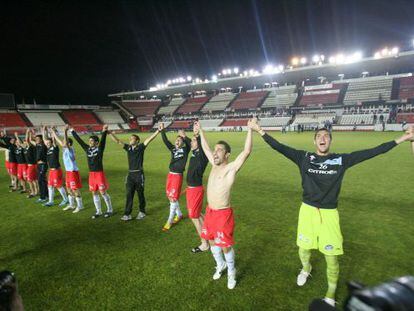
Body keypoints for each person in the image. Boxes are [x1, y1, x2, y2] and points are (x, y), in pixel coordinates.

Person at [249, 120, 414, 306]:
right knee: (303, 249)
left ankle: (330, 294)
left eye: (326, 136)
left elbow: (374, 151)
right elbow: (278, 146)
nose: (322, 138)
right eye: (319, 136)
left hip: (329, 214)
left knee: (331, 258)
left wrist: (403, 138)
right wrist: (259, 130)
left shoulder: (341, 160)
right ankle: (306, 269)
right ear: (314, 142)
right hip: (307, 211)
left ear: (330, 141)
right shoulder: (304, 158)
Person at [194, 119, 253, 290]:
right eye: (216, 149)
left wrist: (250, 129)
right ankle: (221, 265)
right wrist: (201, 130)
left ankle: (232, 272)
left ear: (227, 155)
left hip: (223, 214)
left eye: (220, 150)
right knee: (212, 241)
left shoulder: (231, 168)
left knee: (225, 246)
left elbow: (247, 151)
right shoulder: (213, 164)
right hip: (210, 212)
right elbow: (205, 148)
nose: (215, 152)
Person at [109, 129, 160, 221]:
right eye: (130, 138)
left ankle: (142, 212)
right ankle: (127, 214)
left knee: (140, 194)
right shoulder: (128, 148)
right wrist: (108, 133)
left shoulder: (140, 147)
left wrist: (158, 131)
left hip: (139, 174)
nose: (130, 140)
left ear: (137, 141)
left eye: (132, 139)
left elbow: (149, 139)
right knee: (129, 194)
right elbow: (118, 141)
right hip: (130, 175)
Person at [70, 124, 113, 219]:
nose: (89, 142)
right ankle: (98, 211)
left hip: (99, 174)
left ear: (96, 142)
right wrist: (72, 131)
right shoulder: (87, 149)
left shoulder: (100, 149)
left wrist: (104, 131)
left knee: (103, 192)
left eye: (92, 141)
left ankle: (110, 210)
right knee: (94, 192)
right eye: (89, 141)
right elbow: (80, 141)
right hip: (91, 174)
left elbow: (103, 140)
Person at [159, 123, 191, 231]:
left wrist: (184, 136)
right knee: (170, 196)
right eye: (176, 140)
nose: (177, 142)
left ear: (182, 143)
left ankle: (169, 221)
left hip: (177, 176)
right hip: (170, 175)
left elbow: (190, 143)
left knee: (172, 198)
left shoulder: (186, 150)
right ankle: (180, 214)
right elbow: (166, 141)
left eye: (179, 141)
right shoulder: (173, 149)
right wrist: (162, 130)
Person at [186, 125, 209, 253]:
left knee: (194, 217)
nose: (191, 142)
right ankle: (210, 230)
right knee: (198, 214)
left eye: (193, 141)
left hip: (195, 189)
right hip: (191, 189)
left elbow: (201, 144)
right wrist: (193, 134)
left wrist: (199, 132)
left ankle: (204, 243)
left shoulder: (202, 155)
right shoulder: (194, 154)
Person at [50, 125, 84, 213]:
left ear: (69, 144)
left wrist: (65, 131)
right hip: (68, 172)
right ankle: (72, 205)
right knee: (68, 188)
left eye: (65, 141)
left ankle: (80, 206)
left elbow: (63, 141)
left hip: (73, 172)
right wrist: (53, 132)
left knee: (75, 189)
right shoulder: (65, 149)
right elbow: (58, 140)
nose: (62, 143)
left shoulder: (70, 149)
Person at [41, 126, 68, 207]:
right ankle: (51, 201)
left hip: (56, 170)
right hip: (51, 171)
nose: (47, 144)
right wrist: (43, 131)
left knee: (58, 185)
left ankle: (65, 199)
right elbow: (44, 139)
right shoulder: (48, 149)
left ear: (52, 143)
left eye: (49, 143)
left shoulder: (55, 148)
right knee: (50, 186)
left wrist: (53, 131)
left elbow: (55, 140)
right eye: (47, 143)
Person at [27, 129, 49, 203]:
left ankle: (43, 197)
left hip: (43, 164)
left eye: (38, 139)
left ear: (41, 139)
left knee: (40, 180)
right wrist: (30, 132)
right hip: (39, 165)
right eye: (36, 139)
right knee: (42, 180)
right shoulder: (37, 145)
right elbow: (30, 140)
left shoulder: (44, 145)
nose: (36, 140)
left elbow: (45, 138)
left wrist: (44, 131)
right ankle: (46, 195)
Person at [23, 129, 39, 198]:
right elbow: (27, 140)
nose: (25, 142)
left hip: (32, 166)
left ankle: (33, 192)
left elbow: (28, 140)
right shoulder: (26, 148)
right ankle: (36, 191)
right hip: (31, 166)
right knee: (34, 180)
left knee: (30, 180)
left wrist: (27, 132)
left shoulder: (31, 147)